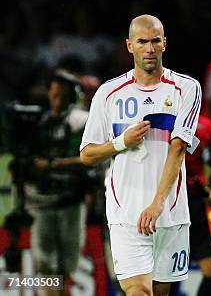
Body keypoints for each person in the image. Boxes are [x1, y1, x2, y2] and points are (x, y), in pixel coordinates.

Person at [80, 15, 201, 296]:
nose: (149, 48)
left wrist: (157, 205)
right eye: (142, 42)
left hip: (170, 214)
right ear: (129, 46)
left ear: (164, 44)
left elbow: (179, 148)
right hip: (126, 213)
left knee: (159, 293)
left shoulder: (187, 88)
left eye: (155, 41)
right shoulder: (108, 93)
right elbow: (87, 154)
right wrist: (122, 142)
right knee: (138, 292)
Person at [23, 70, 89, 296]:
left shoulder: (82, 121)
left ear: (74, 96)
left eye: (62, 96)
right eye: (53, 95)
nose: (56, 101)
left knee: (67, 266)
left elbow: (89, 159)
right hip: (40, 202)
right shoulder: (40, 122)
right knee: (45, 265)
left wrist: (52, 165)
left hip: (71, 201)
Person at [183, 111, 211, 296]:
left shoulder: (206, 127)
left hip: (196, 205)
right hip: (167, 206)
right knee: (165, 274)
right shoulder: (160, 122)